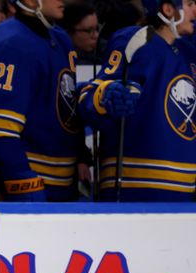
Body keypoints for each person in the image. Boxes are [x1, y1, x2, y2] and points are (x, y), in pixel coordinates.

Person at [77, 0, 196, 201]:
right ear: (168, 9)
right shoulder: (135, 39)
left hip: (186, 189)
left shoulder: (188, 52)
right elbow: (90, 96)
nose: (195, 9)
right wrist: (105, 97)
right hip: (135, 184)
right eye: (190, 3)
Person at [0, 0, 83, 201]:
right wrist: (22, 179)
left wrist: (82, 156)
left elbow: (65, 103)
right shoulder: (11, 41)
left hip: (63, 183)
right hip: (28, 182)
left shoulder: (61, 39)